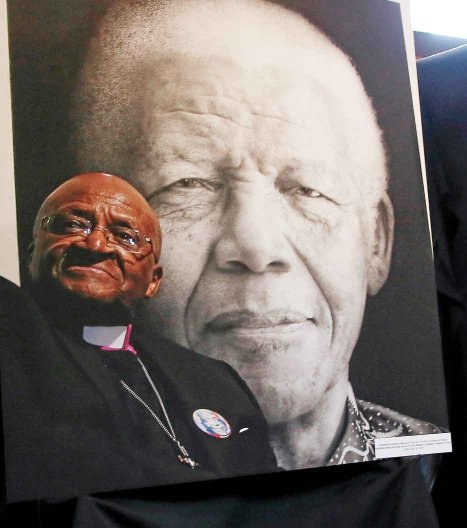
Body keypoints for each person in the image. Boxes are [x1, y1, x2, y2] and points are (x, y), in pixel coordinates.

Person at [70, 0, 439, 470]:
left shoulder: (436, 468)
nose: (257, 248)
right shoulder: (71, 472)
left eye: (310, 189)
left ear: (376, 243)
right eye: (189, 184)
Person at [0, 172, 279, 502]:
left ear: (153, 282)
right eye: (72, 225)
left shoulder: (216, 381)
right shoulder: (11, 328)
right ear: (32, 253)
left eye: (125, 237)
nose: (96, 244)